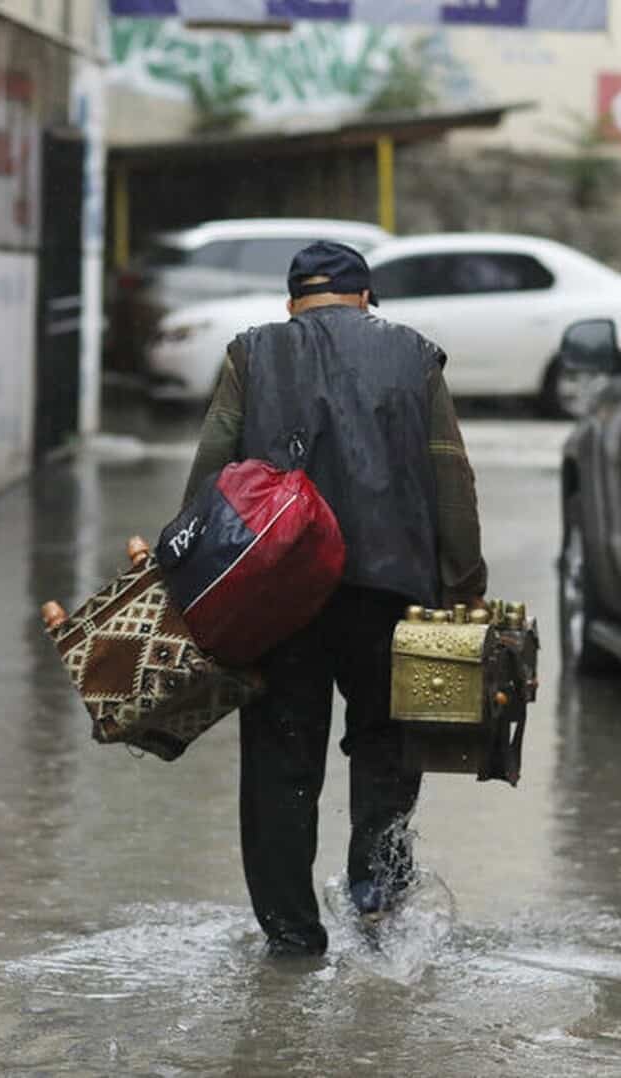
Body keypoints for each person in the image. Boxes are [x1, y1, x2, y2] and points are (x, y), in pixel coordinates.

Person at [182, 240, 487, 957]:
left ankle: (291, 935)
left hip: (276, 597)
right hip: (390, 590)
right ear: (364, 298)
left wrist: (190, 585)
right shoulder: (415, 356)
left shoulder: (251, 355)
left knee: (281, 758)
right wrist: (463, 589)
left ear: (293, 304)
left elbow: (209, 475)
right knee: (386, 744)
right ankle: (377, 904)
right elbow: (452, 478)